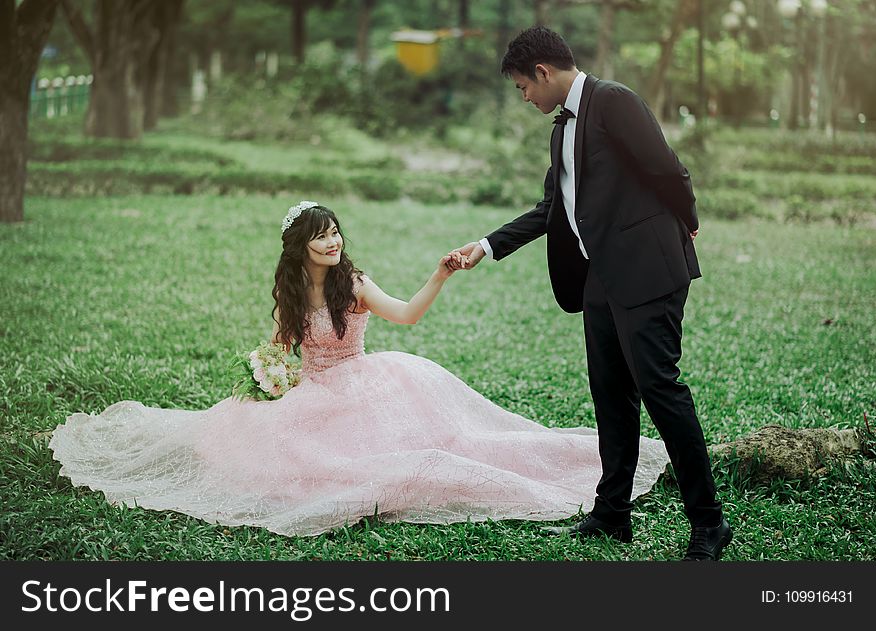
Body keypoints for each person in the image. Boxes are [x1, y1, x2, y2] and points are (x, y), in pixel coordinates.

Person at [49, 201, 671, 539]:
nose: (332, 243)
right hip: (316, 391)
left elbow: (405, 317)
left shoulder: (354, 282)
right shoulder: (294, 293)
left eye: (335, 233)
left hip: (370, 384)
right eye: (320, 237)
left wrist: (440, 275)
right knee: (265, 449)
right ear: (300, 248)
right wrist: (266, 378)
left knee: (451, 447)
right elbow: (275, 348)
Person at [449, 27, 731, 560]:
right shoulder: (562, 131)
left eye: (521, 88)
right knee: (610, 395)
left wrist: (687, 222)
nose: (524, 98)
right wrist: (485, 246)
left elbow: (667, 168)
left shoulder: (615, 101)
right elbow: (551, 207)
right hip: (599, 276)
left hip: (648, 270)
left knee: (660, 391)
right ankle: (612, 514)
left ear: (543, 73)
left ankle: (709, 524)